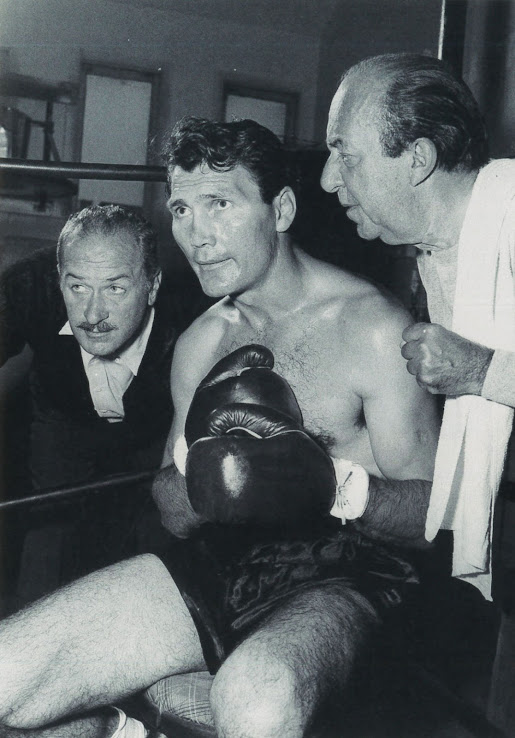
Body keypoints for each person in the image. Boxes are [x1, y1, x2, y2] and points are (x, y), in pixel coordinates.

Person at [0, 119, 440, 738]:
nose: (196, 235)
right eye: (182, 208)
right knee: (8, 674)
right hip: (221, 565)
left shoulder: (373, 328)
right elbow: (173, 512)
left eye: (220, 205)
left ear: (280, 209)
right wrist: (204, 470)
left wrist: (332, 486)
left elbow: (433, 521)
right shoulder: (201, 343)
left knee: (256, 703)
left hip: (349, 574)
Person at [320, 52, 515, 598]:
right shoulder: (439, 250)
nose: (329, 179)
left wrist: (481, 371)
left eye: (345, 155)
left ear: (418, 159)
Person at [0, 205, 199, 601]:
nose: (93, 314)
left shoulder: (194, 312)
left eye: (115, 289)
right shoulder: (28, 288)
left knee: (154, 538)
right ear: (59, 279)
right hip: (62, 416)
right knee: (47, 529)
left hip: (158, 428)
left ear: (152, 286)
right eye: (77, 288)